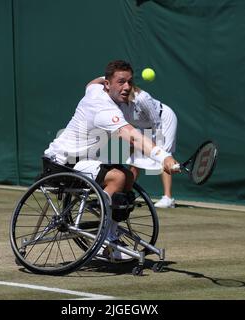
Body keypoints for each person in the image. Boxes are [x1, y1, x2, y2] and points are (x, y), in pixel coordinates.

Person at [44, 60, 180, 260]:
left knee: (127, 176)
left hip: (79, 162)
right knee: (117, 178)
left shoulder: (95, 89)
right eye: (120, 82)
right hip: (60, 163)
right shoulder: (104, 108)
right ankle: (103, 241)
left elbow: (92, 82)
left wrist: (109, 77)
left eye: (129, 82)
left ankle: (111, 234)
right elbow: (130, 134)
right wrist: (163, 156)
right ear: (108, 85)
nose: (126, 87)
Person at [87, 79, 179, 208]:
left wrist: (154, 145)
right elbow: (91, 86)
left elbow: (156, 122)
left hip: (162, 121)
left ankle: (168, 198)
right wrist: (104, 78)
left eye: (127, 85)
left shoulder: (142, 98)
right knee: (135, 159)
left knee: (163, 155)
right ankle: (125, 192)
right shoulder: (116, 100)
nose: (124, 88)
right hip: (142, 125)